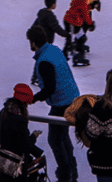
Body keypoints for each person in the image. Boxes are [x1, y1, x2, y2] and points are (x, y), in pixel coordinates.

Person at [27, 25, 81, 182]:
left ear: (33, 43)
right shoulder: (53, 49)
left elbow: (49, 88)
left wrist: (33, 99)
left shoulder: (44, 61)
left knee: (55, 139)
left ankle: (66, 173)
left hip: (62, 102)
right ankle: (71, 168)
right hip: (71, 97)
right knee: (62, 135)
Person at [0, 85, 44, 182]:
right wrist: (34, 136)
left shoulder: (4, 112)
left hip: (3, 161)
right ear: (24, 103)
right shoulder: (19, 120)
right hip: (16, 166)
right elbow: (24, 146)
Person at [63, 0, 93, 67]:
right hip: (74, 21)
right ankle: (78, 56)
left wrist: (89, 6)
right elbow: (84, 12)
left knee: (71, 38)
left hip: (69, 19)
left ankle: (65, 53)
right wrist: (90, 23)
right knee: (81, 38)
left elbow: (80, 7)